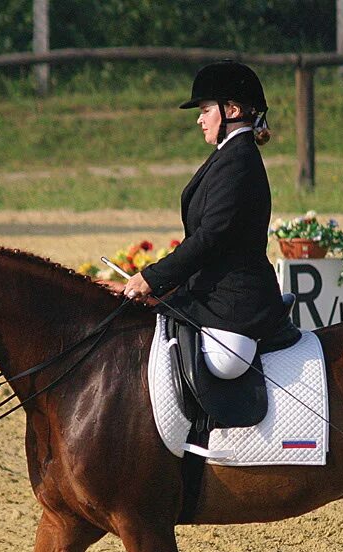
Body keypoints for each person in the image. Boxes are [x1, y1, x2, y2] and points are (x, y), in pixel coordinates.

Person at [122, 61, 286, 379]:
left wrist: (151, 278)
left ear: (233, 109)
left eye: (206, 109)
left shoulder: (239, 161)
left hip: (232, 304)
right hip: (209, 292)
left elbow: (210, 238)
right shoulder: (228, 154)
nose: (199, 119)